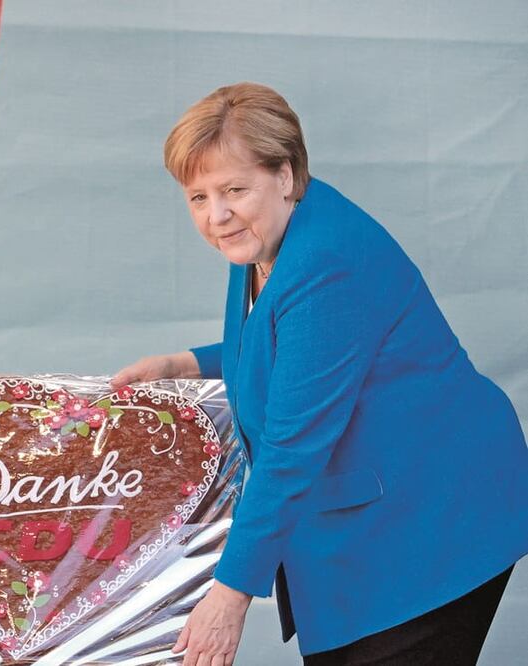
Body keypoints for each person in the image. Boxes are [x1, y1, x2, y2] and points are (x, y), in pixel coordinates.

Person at [113, 82, 528, 665]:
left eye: (234, 189)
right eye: (197, 196)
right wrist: (185, 365)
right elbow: (290, 344)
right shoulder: (267, 234)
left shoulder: (325, 262)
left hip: (435, 519)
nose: (217, 215)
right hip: (380, 515)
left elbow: (291, 448)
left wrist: (228, 599)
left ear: (285, 174)